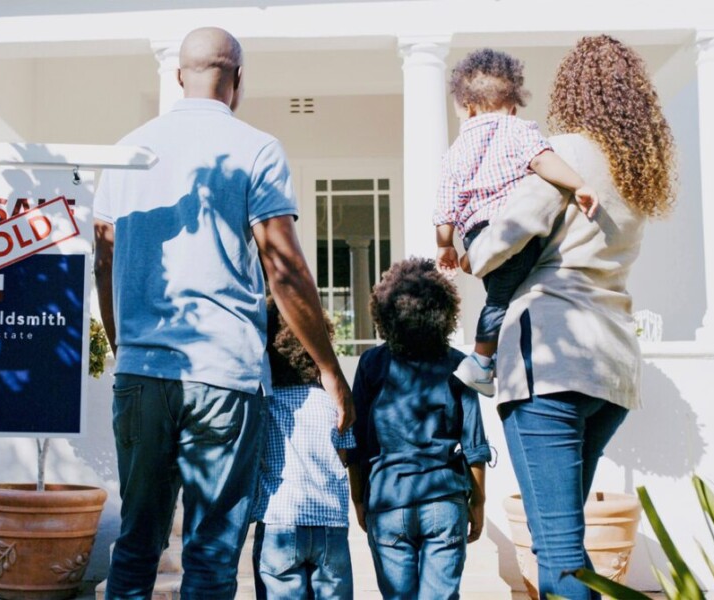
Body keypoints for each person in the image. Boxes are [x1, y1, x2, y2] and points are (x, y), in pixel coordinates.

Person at [93, 27, 354, 599]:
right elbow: (283, 270)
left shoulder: (127, 152)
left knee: (135, 546)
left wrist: (125, 350)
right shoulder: (256, 148)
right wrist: (331, 372)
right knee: (211, 557)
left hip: (142, 373)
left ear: (178, 75)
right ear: (237, 83)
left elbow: (105, 261)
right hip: (225, 378)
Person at [462, 35, 676, 600]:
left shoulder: (569, 153)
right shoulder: (637, 165)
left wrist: (469, 246)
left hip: (551, 361)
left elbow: (500, 242)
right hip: (612, 367)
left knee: (557, 552)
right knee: (566, 538)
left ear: (572, 90)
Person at [433, 48, 599, 397]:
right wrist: (579, 184)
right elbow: (542, 161)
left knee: (499, 295)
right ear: (512, 105)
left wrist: (445, 246)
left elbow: (446, 207)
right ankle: (479, 361)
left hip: (478, 234)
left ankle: (486, 350)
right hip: (514, 229)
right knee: (502, 300)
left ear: (469, 108)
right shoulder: (518, 128)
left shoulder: (454, 151)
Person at [348, 258, 491, 600]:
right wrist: (478, 505)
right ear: (443, 312)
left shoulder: (372, 363)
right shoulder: (458, 364)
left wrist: (359, 499)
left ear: (385, 314)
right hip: (443, 501)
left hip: (388, 499)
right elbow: (475, 444)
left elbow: (356, 442)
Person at [251, 297, 356, 600]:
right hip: (331, 524)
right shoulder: (335, 404)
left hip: (279, 522)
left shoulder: (266, 407)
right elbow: (344, 456)